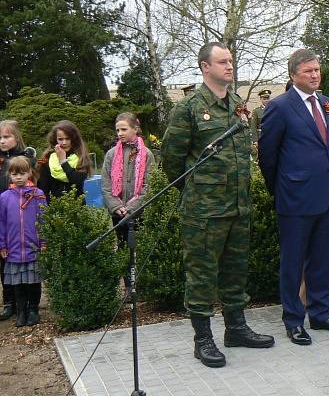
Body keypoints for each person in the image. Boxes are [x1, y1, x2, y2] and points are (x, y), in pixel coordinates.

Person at [162, 42, 274, 368]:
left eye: (231, 61)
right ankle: (202, 339)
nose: (229, 66)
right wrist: (197, 191)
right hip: (204, 212)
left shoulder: (239, 105)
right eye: (222, 61)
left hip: (238, 207)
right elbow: (172, 160)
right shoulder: (189, 109)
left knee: (235, 271)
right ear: (204, 67)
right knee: (202, 275)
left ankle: (236, 329)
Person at [258, 49, 329, 346]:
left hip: (325, 196)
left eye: (317, 69)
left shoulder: (326, 104)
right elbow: (267, 156)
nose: (315, 74)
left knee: (322, 259)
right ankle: (294, 320)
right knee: (294, 261)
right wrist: (282, 188)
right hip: (294, 199)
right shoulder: (280, 106)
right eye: (309, 70)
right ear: (293, 75)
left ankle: (321, 313)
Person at [101, 113, 156, 264]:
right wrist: (116, 206)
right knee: (123, 248)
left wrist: (132, 208)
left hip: (139, 212)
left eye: (124, 129)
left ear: (135, 129)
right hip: (118, 213)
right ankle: (128, 284)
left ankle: (140, 283)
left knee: (142, 249)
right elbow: (106, 183)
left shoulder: (147, 155)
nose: (120, 133)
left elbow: (149, 184)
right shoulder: (111, 154)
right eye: (117, 130)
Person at [0, 156, 47, 326]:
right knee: (18, 284)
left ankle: (33, 309)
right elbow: (1, 223)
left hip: (32, 247)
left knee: (33, 281)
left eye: (22, 173)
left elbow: (43, 219)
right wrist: (2, 244)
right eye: (14, 174)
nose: (18, 177)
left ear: (29, 173)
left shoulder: (38, 195)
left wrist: (44, 241)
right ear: (9, 175)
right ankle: (21, 311)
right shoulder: (4, 198)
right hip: (13, 249)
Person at [0, 121, 37, 321]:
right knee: (4, 263)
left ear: (16, 137)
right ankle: (9, 303)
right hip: (3, 213)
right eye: (0, 138)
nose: (2, 141)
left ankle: (26, 306)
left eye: (6, 137)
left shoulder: (24, 158)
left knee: (19, 263)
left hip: (19, 213)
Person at [37, 120, 91, 202]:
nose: (64, 142)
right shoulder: (47, 158)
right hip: (54, 208)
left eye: (67, 139)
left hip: (77, 207)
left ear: (74, 139)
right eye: (60, 139)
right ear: (55, 140)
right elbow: (43, 188)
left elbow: (77, 181)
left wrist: (63, 161)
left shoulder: (81, 157)